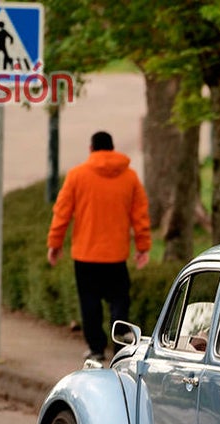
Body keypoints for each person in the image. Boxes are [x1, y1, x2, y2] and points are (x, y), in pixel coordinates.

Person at [47, 131, 151, 364]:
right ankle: (120, 343)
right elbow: (140, 215)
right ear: (113, 149)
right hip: (116, 255)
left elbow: (62, 213)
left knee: (89, 302)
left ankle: (96, 348)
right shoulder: (130, 178)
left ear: (91, 148)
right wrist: (142, 246)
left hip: (86, 255)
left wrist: (55, 243)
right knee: (119, 299)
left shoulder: (77, 176)